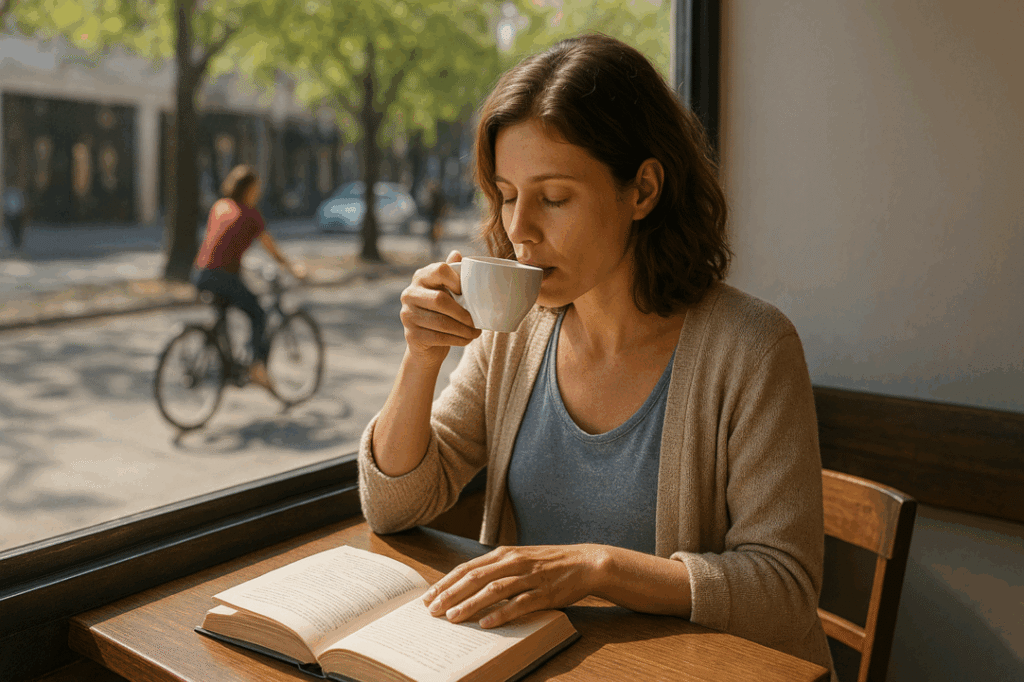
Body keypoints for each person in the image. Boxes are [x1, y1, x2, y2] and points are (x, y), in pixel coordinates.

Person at [357, 34, 836, 680]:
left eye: (553, 198)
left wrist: (595, 567)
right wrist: (422, 357)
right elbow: (394, 506)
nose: (519, 229)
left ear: (642, 190)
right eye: (506, 193)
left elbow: (784, 591)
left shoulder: (752, 349)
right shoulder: (516, 332)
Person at [191, 164, 305, 390]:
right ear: (249, 190)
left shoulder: (220, 206)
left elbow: (220, 244)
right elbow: (272, 249)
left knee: (227, 310)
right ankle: (256, 367)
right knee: (258, 314)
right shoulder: (251, 215)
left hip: (200, 274)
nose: (259, 193)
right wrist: (293, 268)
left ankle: (228, 363)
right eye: (257, 188)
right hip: (223, 277)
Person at [423, 179, 448, 260]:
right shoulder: (433, 196)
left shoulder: (436, 197)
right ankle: (435, 250)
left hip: (435, 218)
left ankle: (436, 250)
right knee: (434, 236)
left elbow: (442, 207)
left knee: (435, 235)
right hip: (433, 219)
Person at [3, 185, 26, 252]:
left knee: (17, 229)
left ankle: (17, 243)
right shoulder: (9, 194)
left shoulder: (17, 193)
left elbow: (21, 203)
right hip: (10, 214)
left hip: (17, 214)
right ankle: (15, 242)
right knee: (12, 229)